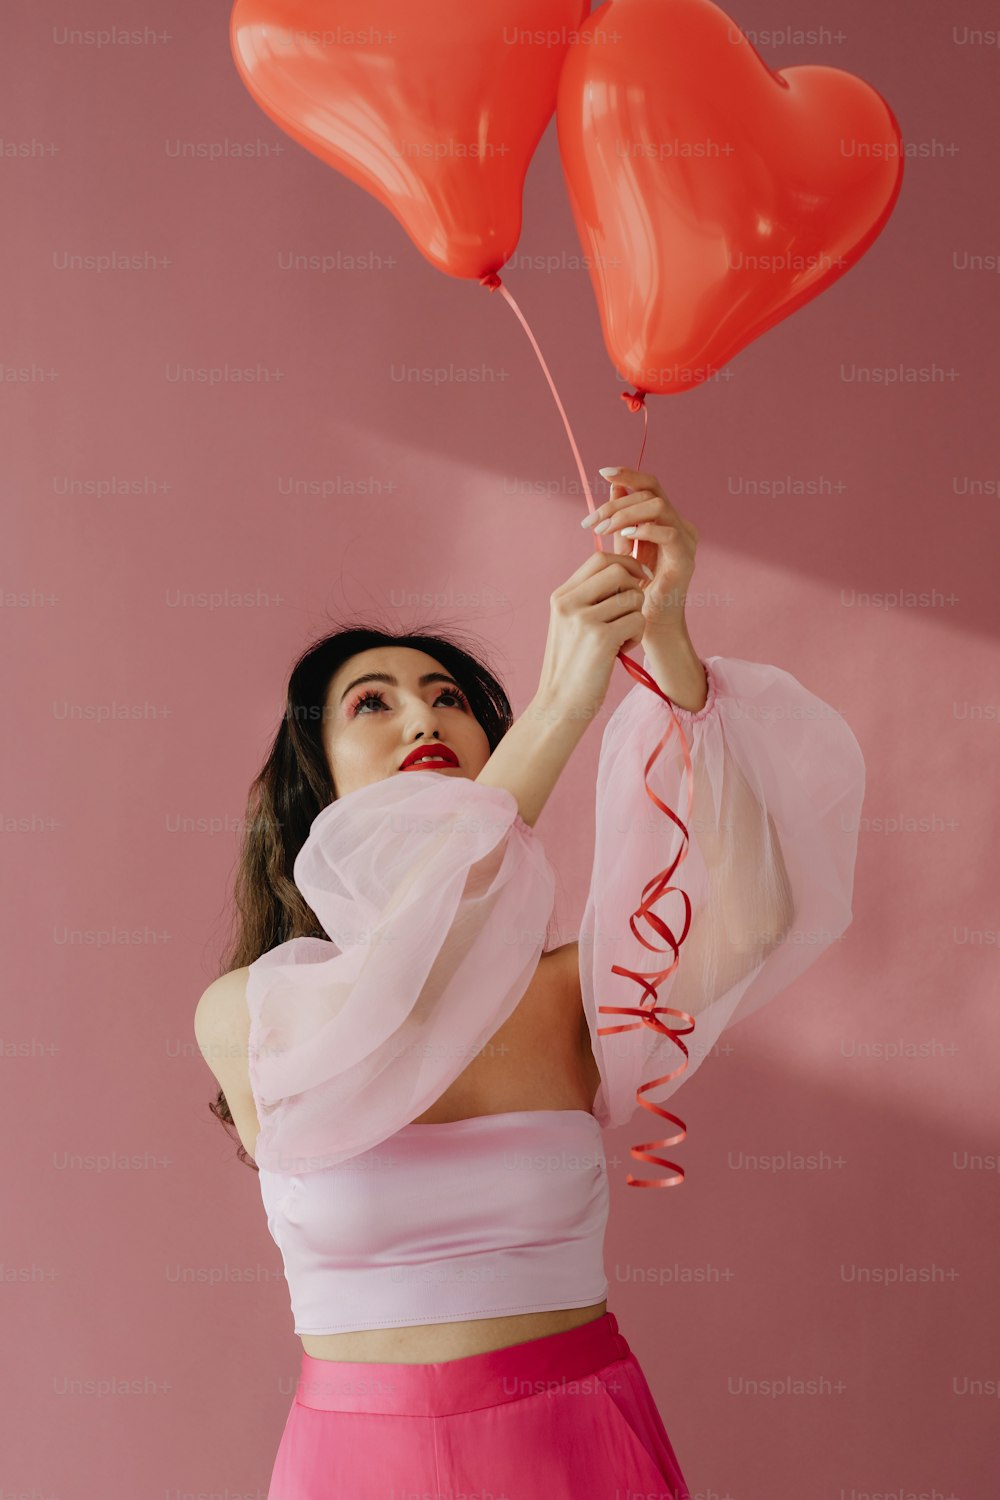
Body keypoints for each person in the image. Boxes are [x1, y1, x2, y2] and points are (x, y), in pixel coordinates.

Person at [195, 468, 865, 1498]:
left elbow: (758, 910)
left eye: (450, 699)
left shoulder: (567, 996)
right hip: (354, 1468)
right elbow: (411, 962)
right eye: (371, 703)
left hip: (577, 1448)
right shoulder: (252, 1013)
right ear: (313, 780)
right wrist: (559, 702)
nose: (423, 716)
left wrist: (670, 649)